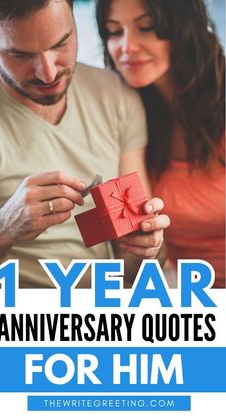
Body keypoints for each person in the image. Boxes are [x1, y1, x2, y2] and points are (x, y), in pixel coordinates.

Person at [0, 0, 170, 288]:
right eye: (20, 55)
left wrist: (147, 248)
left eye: (61, 43)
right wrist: (2, 229)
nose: (47, 73)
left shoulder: (116, 95)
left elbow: (137, 272)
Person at [96, 0, 225, 287]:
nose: (127, 47)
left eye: (147, 28)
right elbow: (134, 244)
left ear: (184, 28)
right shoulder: (131, 111)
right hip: (187, 296)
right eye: (114, 32)